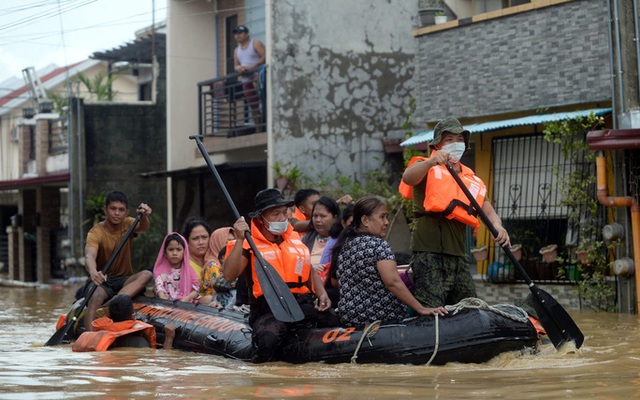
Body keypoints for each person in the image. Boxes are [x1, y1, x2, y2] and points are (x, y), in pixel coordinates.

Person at [400, 117, 510, 308]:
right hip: (429, 253)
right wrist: (432, 162)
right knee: (431, 307)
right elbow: (408, 178)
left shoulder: (471, 179)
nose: (455, 144)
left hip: (458, 255)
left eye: (459, 139)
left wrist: (499, 227)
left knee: (471, 306)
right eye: (449, 140)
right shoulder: (426, 166)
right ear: (437, 145)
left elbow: (489, 211)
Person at [224, 188, 336, 363]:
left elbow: (308, 271)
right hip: (268, 308)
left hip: (300, 303)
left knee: (335, 320)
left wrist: (322, 294)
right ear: (260, 218)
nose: (282, 218)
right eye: (275, 214)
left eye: (284, 213)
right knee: (268, 340)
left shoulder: (294, 238)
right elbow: (229, 275)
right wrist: (239, 239)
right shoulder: (248, 243)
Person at [331, 197, 448, 327]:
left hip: (349, 316)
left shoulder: (344, 245)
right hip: (378, 318)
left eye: (387, 217)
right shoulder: (378, 245)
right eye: (382, 217)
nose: (386, 222)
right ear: (365, 220)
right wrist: (421, 308)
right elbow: (392, 282)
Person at [83, 191, 153, 332]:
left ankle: (113, 304)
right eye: (113, 209)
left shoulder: (128, 223)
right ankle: (89, 335)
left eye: (121, 210)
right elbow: (89, 255)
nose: (117, 213)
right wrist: (93, 272)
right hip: (104, 281)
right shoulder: (95, 232)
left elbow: (144, 227)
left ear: (126, 212)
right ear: (105, 210)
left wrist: (144, 216)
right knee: (95, 295)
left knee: (146, 274)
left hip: (124, 280)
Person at [73, 294, 176, 351]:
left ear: (109, 316)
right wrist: (169, 338)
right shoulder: (140, 343)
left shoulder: (99, 335)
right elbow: (164, 360)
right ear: (132, 315)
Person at [233, 25, 266, 131]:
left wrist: (252, 66)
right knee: (253, 105)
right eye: (236, 34)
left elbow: (265, 56)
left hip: (258, 75)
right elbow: (236, 65)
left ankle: (266, 125)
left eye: (240, 33)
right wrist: (240, 68)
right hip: (246, 79)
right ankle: (258, 129)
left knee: (263, 99)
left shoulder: (255, 43)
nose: (237, 36)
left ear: (247, 34)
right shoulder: (236, 50)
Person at [153, 233, 200, 303]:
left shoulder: (189, 270)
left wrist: (187, 298)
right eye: (171, 249)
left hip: (187, 301)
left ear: (184, 252)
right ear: (165, 253)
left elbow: (196, 289)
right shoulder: (160, 270)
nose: (174, 253)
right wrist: (163, 297)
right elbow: (159, 287)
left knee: (207, 300)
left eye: (178, 250)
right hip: (167, 302)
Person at [201, 227, 237, 308]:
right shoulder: (213, 266)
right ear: (217, 242)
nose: (231, 245)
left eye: (234, 241)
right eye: (227, 242)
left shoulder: (238, 263)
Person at [181, 217, 212, 290]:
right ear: (187, 242)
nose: (201, 242)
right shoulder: (182, 264)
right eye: (195, 238)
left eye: (204, 237)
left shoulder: (215, 261)